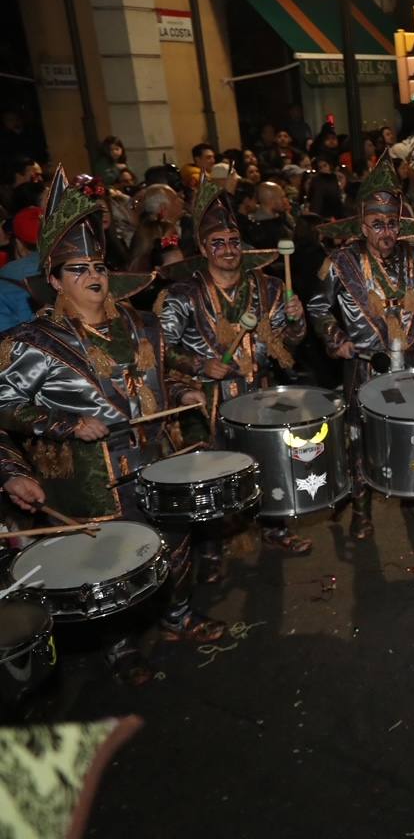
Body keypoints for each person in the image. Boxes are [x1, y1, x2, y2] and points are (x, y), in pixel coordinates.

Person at [0, 167, 219, 685]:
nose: (94, 276)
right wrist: (63, 423)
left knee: (174, 544)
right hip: (88, 481)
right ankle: (119, 648)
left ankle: (178, 616)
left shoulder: (141, 323)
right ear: (52, 280)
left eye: (98, 264)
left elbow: (155, 374)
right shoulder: (31, 343)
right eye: (77, 269)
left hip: (156, 461)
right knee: (110, 567)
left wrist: (182, 388)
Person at [158, 179, 310, 559]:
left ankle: (275, 526)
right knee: (212, 474)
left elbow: (286, 348)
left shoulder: (270, 287)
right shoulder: (183, 295)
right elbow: (157, 349)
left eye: (233, 241)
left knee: (268, 463)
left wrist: (295, 322)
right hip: (207, 400)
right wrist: (197, 363)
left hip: (258, 390)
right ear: (204, 249)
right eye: (218, 243)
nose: (228, 250)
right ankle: (211, 547)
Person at [308, 153, 414, 539]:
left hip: (412, 362)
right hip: (363, 364)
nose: (385, 232)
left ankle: (413, 496)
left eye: (391, 223)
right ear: (362, 225)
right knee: (359, 435)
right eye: (377, 224)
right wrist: (335, 339)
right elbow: (318, 306)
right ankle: (361, 509)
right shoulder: (341, 263)